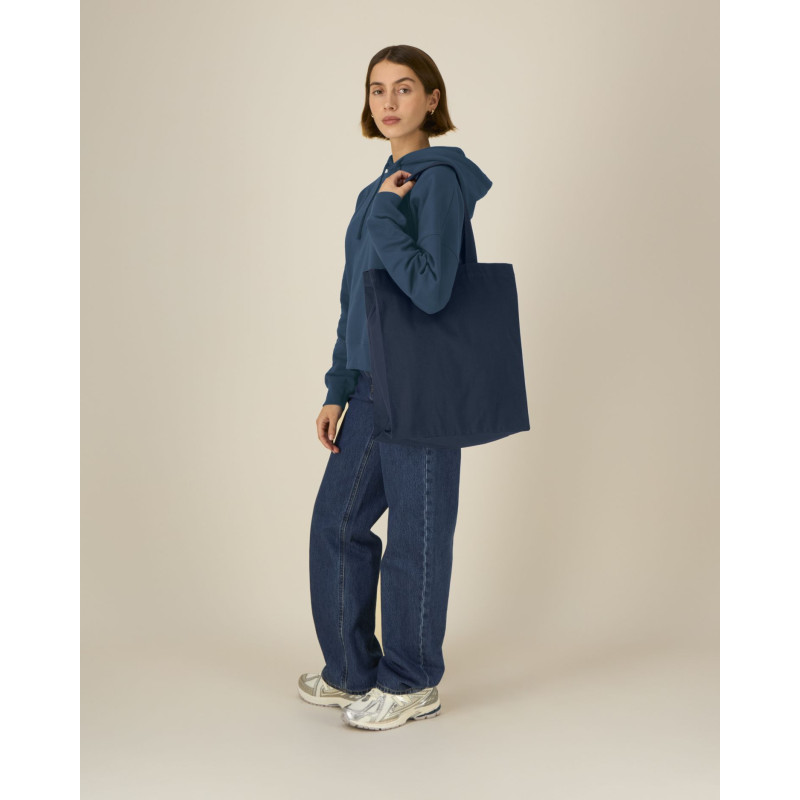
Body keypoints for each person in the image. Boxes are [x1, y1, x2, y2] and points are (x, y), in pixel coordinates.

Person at [297, 45, 493, 731]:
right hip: (372, 386)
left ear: (432, 100)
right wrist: (338, 386)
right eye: (377, 89)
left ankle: (412, 682)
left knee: (417, 533)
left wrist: (385, 216)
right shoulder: (377, 189)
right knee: (337, 524)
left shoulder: (436, 182)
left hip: (423, 387)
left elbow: (431, 290)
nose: (388, 102)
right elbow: (356, 299)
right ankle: (351, 672)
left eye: (404, 88)